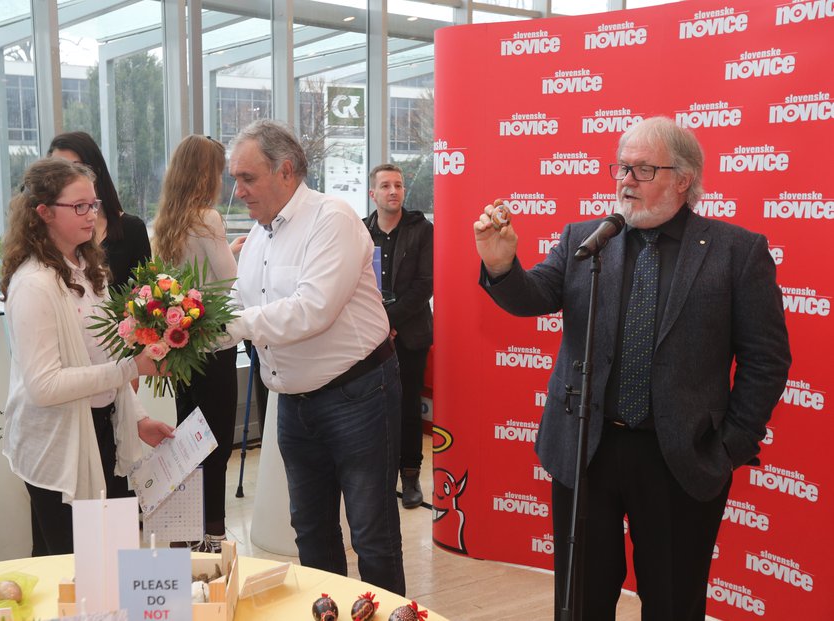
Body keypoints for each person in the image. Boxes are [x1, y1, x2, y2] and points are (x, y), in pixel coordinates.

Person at [474, 117, 791, 620]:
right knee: (580, 601)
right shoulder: (588, 238)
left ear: (684, 179)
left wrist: (729, 445)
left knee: (672, 603)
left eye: (642, 170)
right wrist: (500, 266)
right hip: (586, 447)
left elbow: (767, 360)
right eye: (622, 167)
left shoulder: (736, 251)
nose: (625, 180)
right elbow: (534, 296)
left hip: (679, 459)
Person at [223, 119, 406, 595]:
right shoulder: (258, 238)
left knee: (372, 537)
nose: (237, 190)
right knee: (311, 535)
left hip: (359, 395)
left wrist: (229, 327)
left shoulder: (332, 218)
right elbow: (243, 307)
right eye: (234, 179)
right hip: (293, 404)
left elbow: (312, 311)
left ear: (285, 170)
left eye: (247, 178)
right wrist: (184, 332)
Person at [0, 157, 175, 556]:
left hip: (100, 429)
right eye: (78, 206)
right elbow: (45, 387)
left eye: (93, 204)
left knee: (109, 558)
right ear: (43, 213)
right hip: (58, 442)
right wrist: (132, 367)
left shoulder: (84, 267)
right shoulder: (34, 284)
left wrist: (140, 417)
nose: (91, 214)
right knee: (73, 568)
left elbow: (102, 355)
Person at [152, 134, 239, 554]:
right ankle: (214, 536)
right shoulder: (208, 218)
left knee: (190, 440)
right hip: (215, 346)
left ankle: (187, 531)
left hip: (183, 351)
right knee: (216, 444)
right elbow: (226, 281)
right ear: (208, 173)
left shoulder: (167, 220)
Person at [363, 163, 433, 509]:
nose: (393, 191)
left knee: (407, 408)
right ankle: (380, 478)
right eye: (386, 186)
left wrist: (388, 320)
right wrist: (377, 324)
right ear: (372, 194)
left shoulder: (422, 230)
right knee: (372, 409)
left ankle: (411, 476)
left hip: (409, 335)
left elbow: (424, 285)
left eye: (399, 185)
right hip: (368, 338)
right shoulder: (360, 231)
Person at [48, 131, 151, 290]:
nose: (67, 180)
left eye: (77, 169)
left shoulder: (132, 229)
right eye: (58, 172)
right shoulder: (48, 233)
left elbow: (145, 298)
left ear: (95, 171)